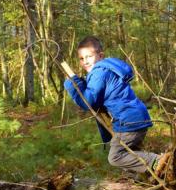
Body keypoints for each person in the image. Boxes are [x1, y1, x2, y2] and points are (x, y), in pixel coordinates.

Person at [64, 36, 160, 175]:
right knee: (132, 155)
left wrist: (73, 85)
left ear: (100, 55)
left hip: (128, 120)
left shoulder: (99, 72)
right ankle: (150, 176)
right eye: (81, 58)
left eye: (89, 56)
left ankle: (158, 161)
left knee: (116, 157)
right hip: (135, 116)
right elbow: (96, 95)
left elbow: (89, 102)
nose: (85, 61)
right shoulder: (106, 70)